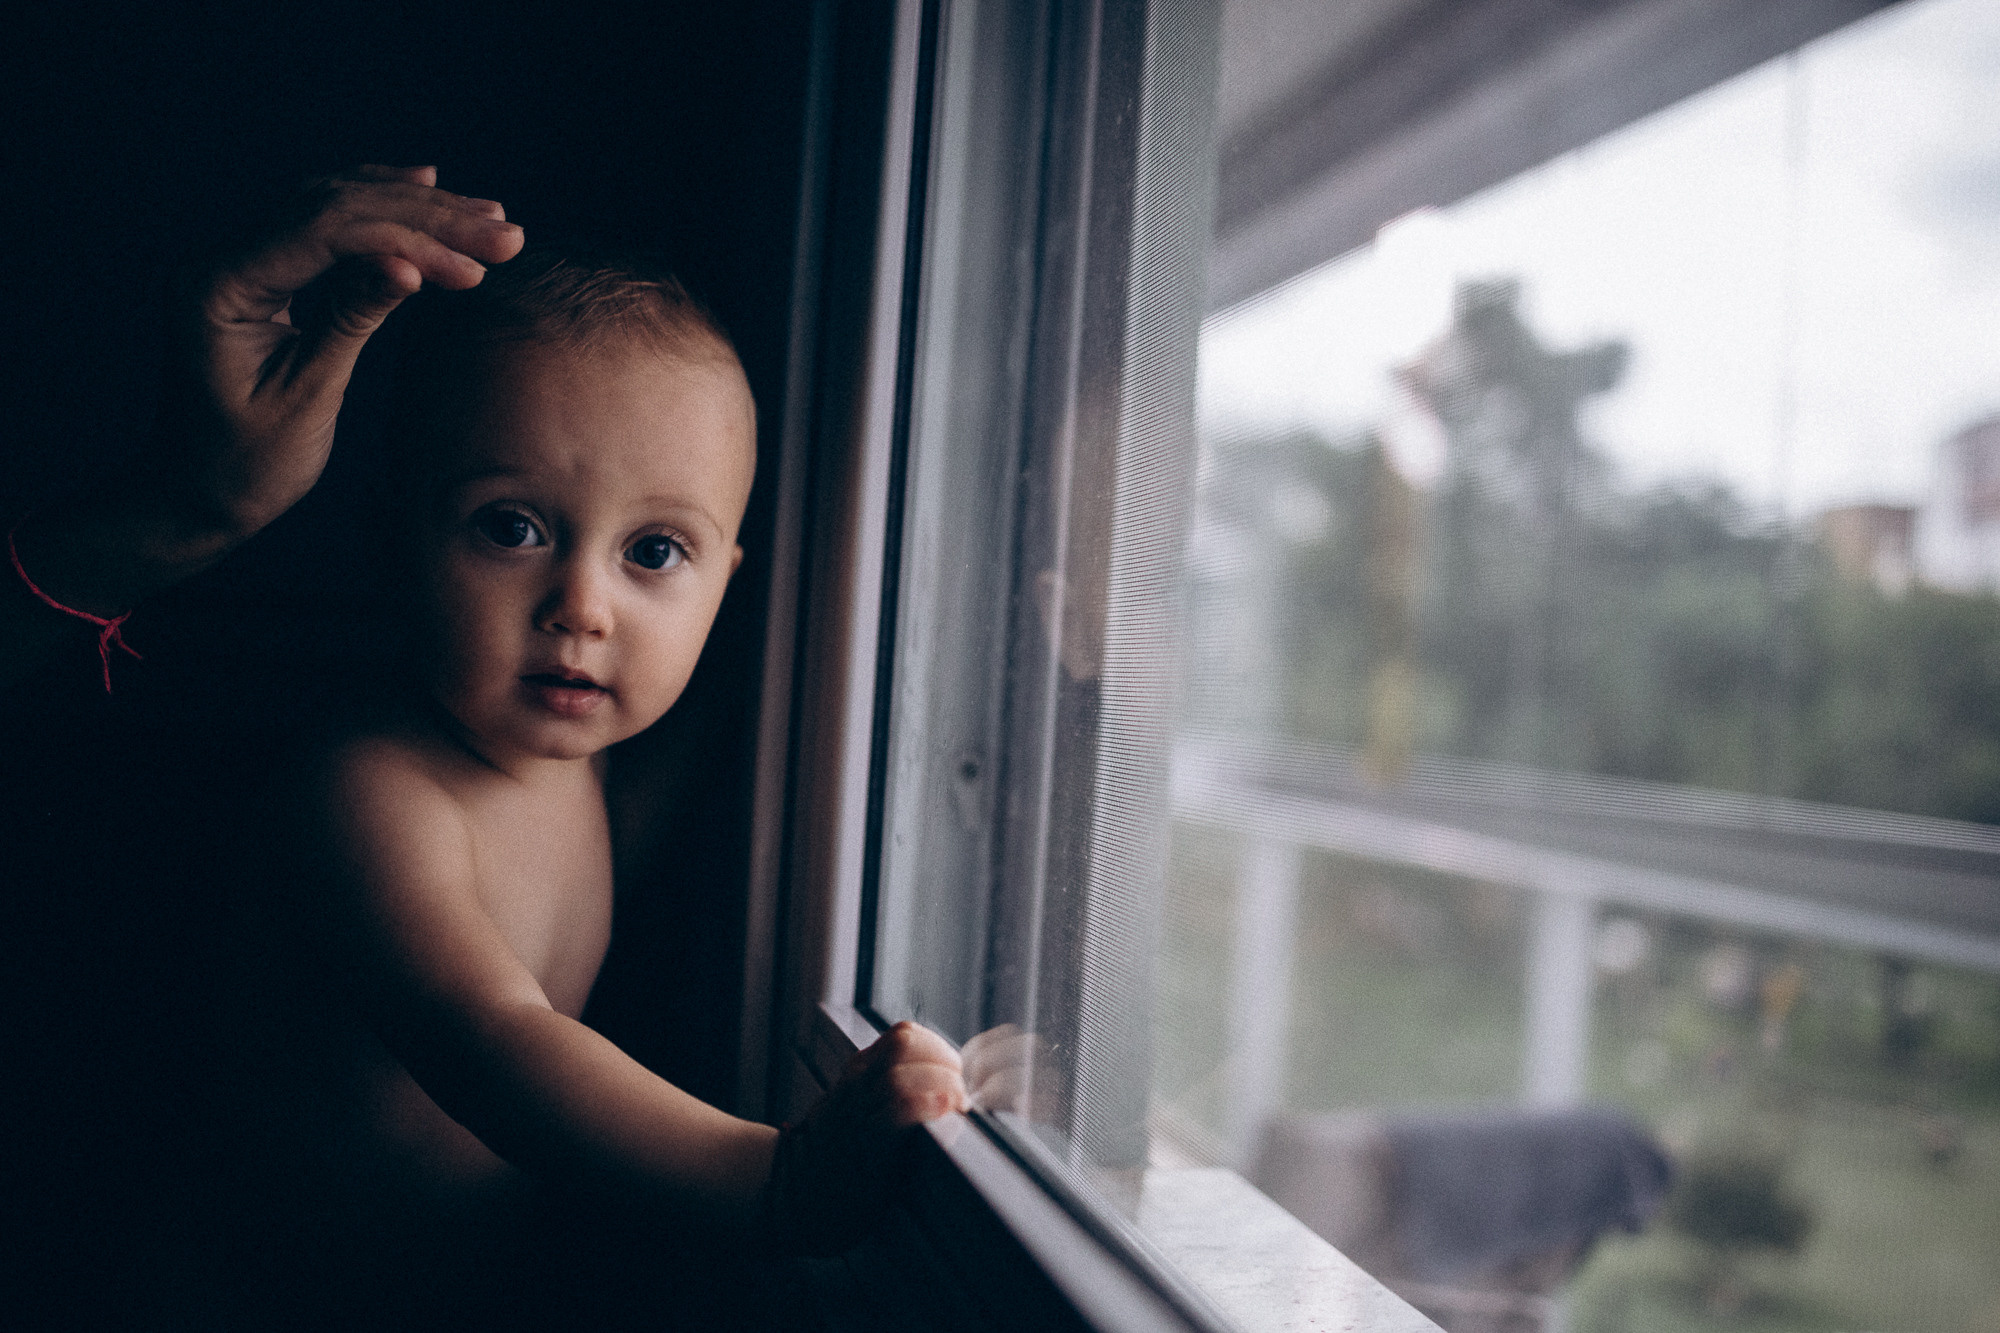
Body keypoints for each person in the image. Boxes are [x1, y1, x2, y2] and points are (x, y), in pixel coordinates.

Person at [2, 167, 967, 1325]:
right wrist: (771, 1184)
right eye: (511, 527)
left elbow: (647, 808)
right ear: (395, 543)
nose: (582, 606)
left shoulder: (577, 761)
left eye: (655, 552)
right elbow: (493, 1042)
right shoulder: (370, 793)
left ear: (726, 590)